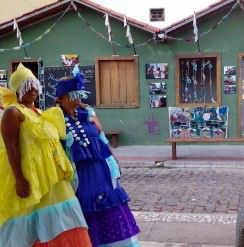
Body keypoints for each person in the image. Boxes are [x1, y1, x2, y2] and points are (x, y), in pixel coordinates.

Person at [0, 63, 92, 247]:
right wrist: (19, 179)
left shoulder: (41, 113)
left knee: (65, 220)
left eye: (35, 84)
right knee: (32, 228)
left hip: (53, 179)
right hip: (31, 178)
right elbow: (11, 147)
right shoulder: (12, 112)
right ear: (18, 89)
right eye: (27, 85)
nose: (33, 89)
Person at [55, 65, 140, 247]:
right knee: (86, 208)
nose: (76, 100)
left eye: (78, 95)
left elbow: (101, 137)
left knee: (110, 204)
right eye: (72, 96)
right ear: (61, 99)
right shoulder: (56, 119)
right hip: (79, 174)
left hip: (101, 169)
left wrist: (112, 157)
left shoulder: (88, 113)